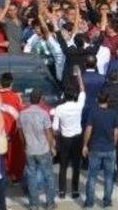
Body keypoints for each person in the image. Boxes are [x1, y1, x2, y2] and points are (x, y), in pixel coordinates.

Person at [19, 89, 57, 209]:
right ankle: (50, 203)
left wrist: (24, 145)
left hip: (29, 150)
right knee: (48, 176)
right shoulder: (43, 114)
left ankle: (34, 204)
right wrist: (52, 146)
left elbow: (20, 133)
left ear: (30, 100)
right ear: (41, 100)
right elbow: (48, 133)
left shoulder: (22, 114)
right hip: (43, 149)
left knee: (31, 177)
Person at [51, 69, 85, 200]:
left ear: (64, 96)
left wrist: (58, 134)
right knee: (76, 165)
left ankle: (62, 191)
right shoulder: (79, 106)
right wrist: (79, 77)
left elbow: (55, 127)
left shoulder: (59, 109)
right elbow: (82, 91)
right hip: (77, 138)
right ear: (74, 96)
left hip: (64, 139)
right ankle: (75, 190)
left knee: (63, 165)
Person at [82, 91, 118, 208]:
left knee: (92, 177)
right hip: (109, 148)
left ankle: (89, 202)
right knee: (108, 177)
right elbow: (116, 131)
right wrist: (114, 144)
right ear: (108, 100)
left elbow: (88, 130)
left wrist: (85, 145)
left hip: (95, 148)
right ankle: (107, 202)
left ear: (97, 100)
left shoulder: (93, 113)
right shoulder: (113, 113)